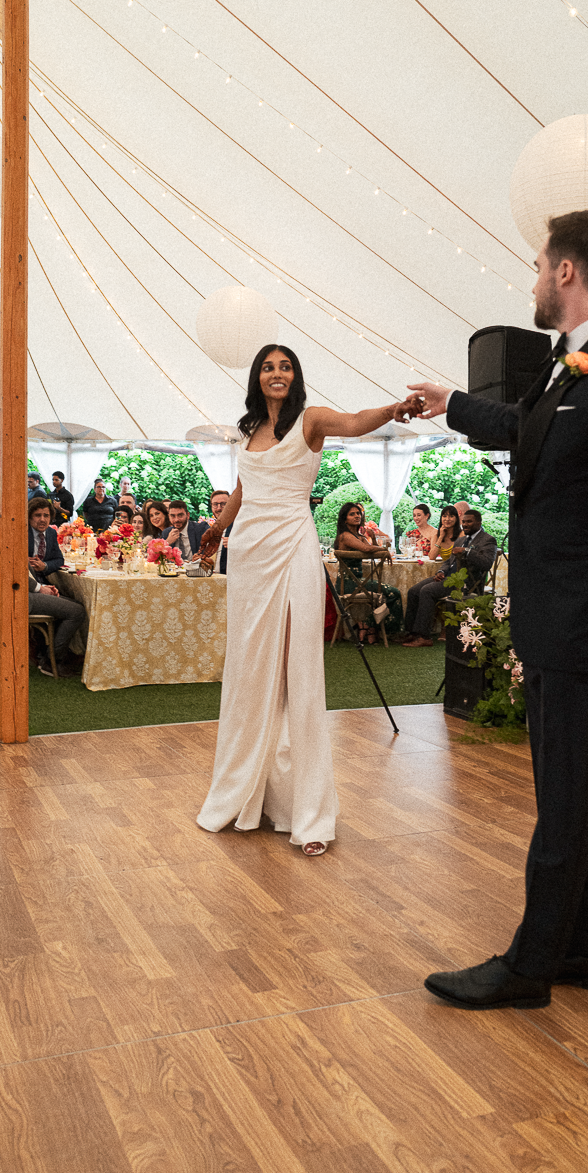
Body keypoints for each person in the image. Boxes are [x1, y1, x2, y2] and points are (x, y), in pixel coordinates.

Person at [408, 208, 588, 1010]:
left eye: (537, 266)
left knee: (562, 800)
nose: (531, 279)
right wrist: (451, 402)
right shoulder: (570, 367)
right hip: (557, 621)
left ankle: (529, 968)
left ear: (565, 273)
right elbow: (526, 428)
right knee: (573, 793)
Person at [197, 343, 421, 855]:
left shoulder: (311, 420)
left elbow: (356, 421)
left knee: (299, 669)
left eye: (285, 366)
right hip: (249, 555)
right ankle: (244, 793)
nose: (277, 373)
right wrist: (216, 529)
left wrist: (391, 410)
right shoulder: (248, 429)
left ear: (295, 377)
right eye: (268, 367)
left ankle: (309, 812)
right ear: (257, 378)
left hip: (293, 550)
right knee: (251, 670)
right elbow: (241, 488)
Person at [0, 518, 84, 677]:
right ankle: (52, 661)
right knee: (77, 611)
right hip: (12, 598)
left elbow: (20, 570)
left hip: (20, 592)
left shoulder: (5, 528)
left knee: (73, 603)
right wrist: (39, 588)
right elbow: (9, 572)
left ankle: (50, 653)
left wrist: (40, 587)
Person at [402, 508, 496, 647]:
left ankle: (424, 636)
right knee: (414, 591)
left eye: (469, 522)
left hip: (467, 582)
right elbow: (449, 561)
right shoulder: (461, 540)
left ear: (478, 522)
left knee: (427, 591)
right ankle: (411, 633)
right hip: (448, 577)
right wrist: (441, 571)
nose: (465, 525)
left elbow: (486, 563)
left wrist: (467, 551)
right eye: (464, 522)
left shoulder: (488, 540)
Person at [333, 501, 403, 640]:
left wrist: (375, 538)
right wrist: (384, 551)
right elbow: (366, 549)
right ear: (344, 518)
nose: (357, 516)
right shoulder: (345, 536)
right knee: (393, 593)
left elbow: (372, 550)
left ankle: (367, 625)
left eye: (358, 513)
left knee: (392, 593)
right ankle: (374, 627)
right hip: (347, 583)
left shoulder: (361, 537)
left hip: (360, 582)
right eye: (352, 514)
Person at [27, 498, 65, 579]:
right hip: (26, 581)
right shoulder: (22, 532)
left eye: (46, 515)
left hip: (45, 580)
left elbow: (59, 560)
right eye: (37, 515)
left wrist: (44, 566)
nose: (42, 519)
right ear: (29, 518)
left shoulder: (51, 533)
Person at [205, 489, 233, 574]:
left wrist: (236, 543)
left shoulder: (239, 525)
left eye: (223, 504)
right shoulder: (212, 529)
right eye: (215, 504)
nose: (219, 508)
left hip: (232, 579)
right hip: (215, 579)